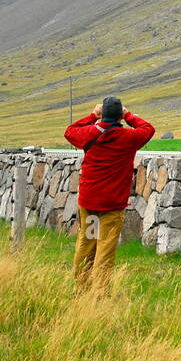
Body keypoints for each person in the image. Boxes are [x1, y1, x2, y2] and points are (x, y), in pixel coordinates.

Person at [63, 96, 155, 291]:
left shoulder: (88, 133)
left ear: (102, 114)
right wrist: (129, 115)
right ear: (120, 117)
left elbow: (69, 131)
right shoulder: (128, 138)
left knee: (87, 241)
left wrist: (92, 115)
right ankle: (100, 293)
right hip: (112, 206)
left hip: (89, 203)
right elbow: (148, 129)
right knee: (106, 246)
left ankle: (82, 287)